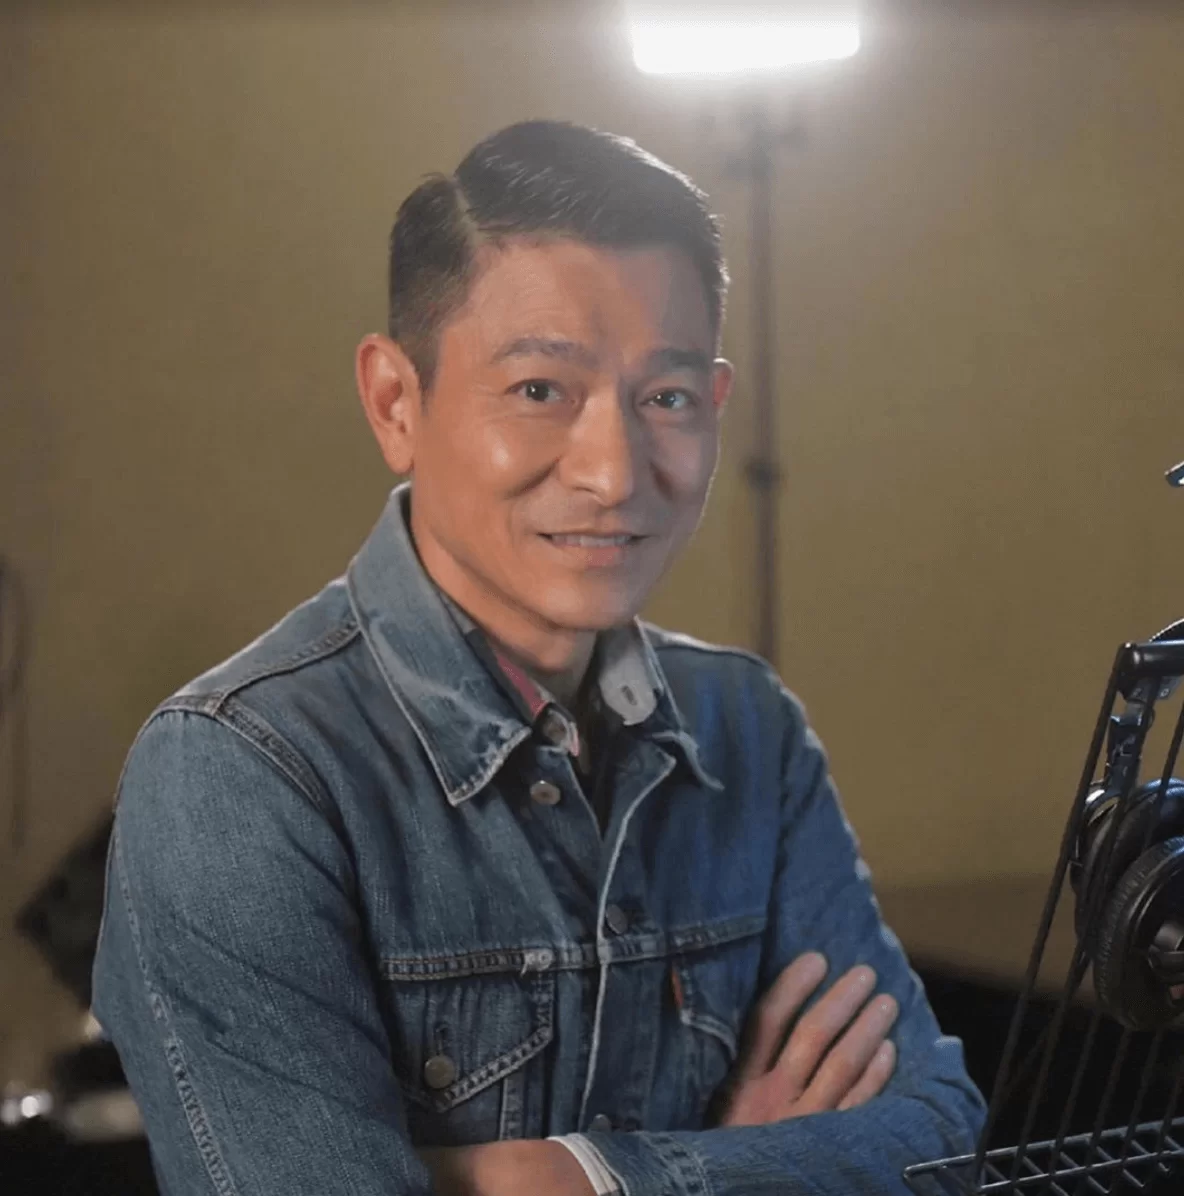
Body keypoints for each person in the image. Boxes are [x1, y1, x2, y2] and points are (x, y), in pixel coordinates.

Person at [92, 120, 984, 1195]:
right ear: (395, 402)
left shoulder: (747, 725)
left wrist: (566, 1178)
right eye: (538, 390)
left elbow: (938, 1141)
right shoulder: (239, 772)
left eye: (664, 399)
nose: (615, 473)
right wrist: (759, 1168)